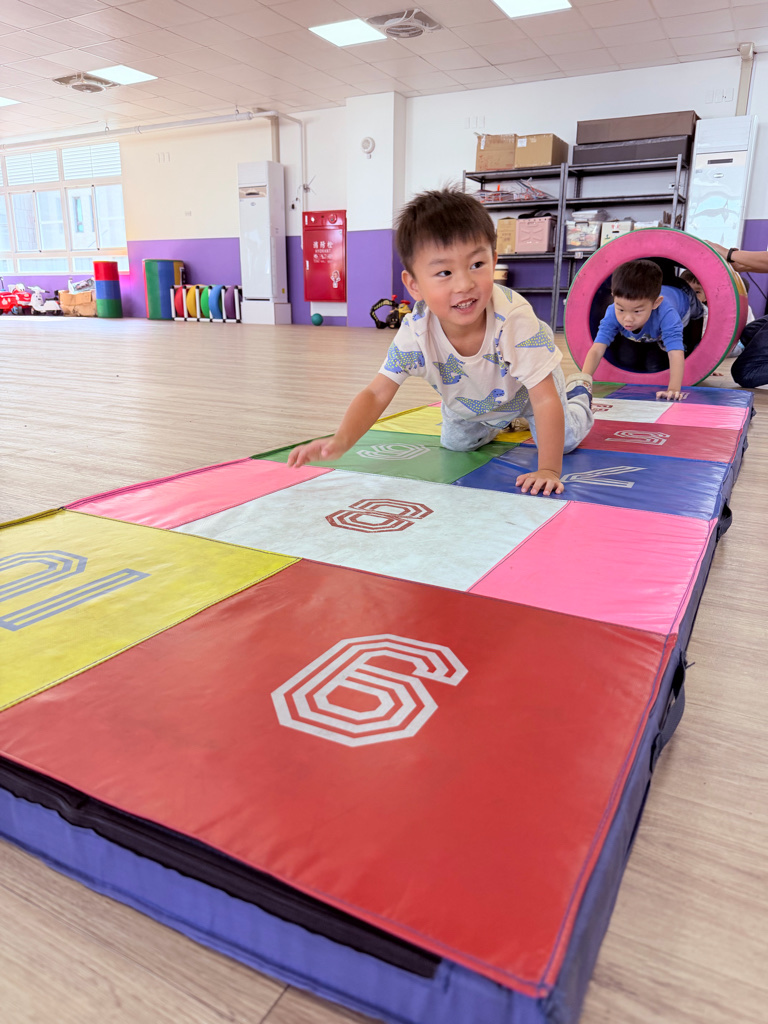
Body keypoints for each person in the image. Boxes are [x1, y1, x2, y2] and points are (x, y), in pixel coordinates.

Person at [288, 187, 594, 496]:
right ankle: (503, 422)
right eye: (444, 272)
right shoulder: (416, 332)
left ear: (494, 261)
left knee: (564, 440)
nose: (464, 284)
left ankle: (578, 391)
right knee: (457, 445)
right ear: (414, 285)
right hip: (470, 402)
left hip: (531, 392)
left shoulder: (514, 319)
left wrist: (548, 469)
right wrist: (341, 440)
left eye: (477, 265)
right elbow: (376, 393)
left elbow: (543, 399)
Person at [581, 259, 705, 400]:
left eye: (637, 311)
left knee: (656, 363)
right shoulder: (612, 312)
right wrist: (583, 383)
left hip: (683, 296)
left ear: (656, 303)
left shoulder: (667, 314)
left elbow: (675, 352)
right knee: (627, 358)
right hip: (650, 327)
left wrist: (673, 389)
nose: (628, 319)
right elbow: (597, 349)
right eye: (621, 309)